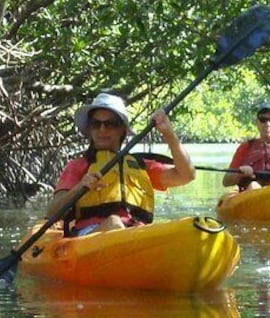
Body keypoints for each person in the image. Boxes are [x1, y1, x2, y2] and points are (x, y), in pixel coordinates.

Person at [46, 92, 195, 235]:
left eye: (110, 124)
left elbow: (186, 175)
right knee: (114, 223)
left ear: (122, 130)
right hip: (90, 235)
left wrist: (168, 133)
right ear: (90, 129)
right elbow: (52, 213)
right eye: (96, 124)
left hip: (136, 234)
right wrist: (79, 188)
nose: (102, 129)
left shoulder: (141, 165)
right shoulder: (78, 166)